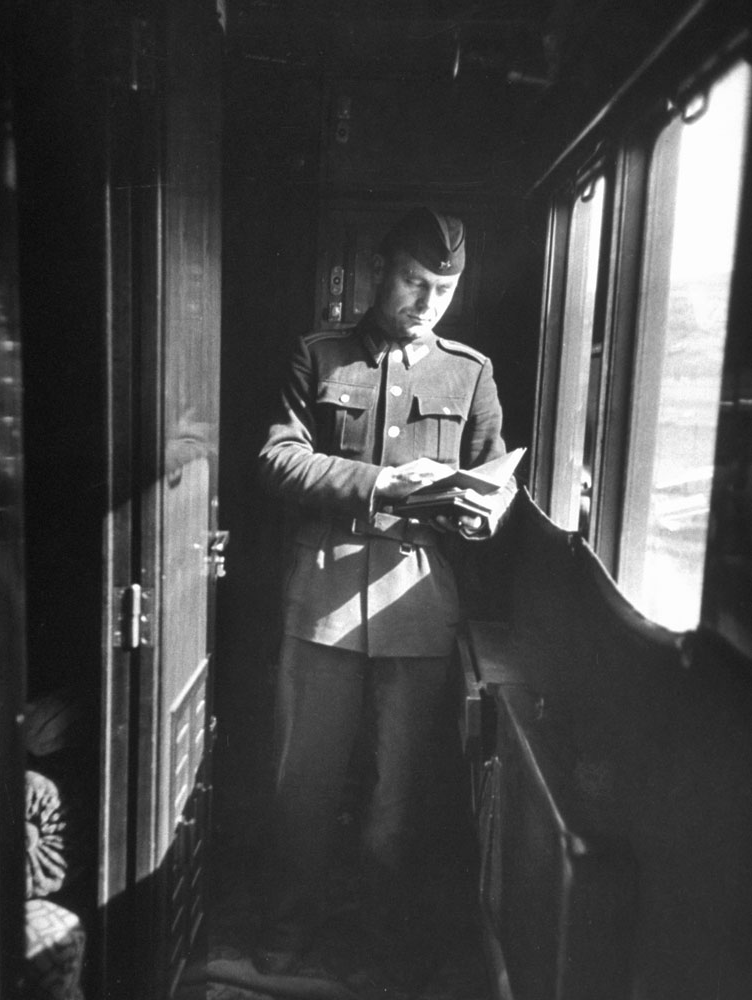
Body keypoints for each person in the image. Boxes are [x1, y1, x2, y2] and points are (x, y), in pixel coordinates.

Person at [255, 206, 516, 983]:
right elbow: (276, 460)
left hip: (419, 609)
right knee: (301, 782)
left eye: (444, 287)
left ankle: (376, 944)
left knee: (397, 795)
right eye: (413, 280)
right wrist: (377, 484)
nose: (428, 300)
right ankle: (287, 928)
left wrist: (481, 515)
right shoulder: (320, 355)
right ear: (380, 269)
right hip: (324, 599)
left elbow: (494, 479)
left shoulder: (470, 374)